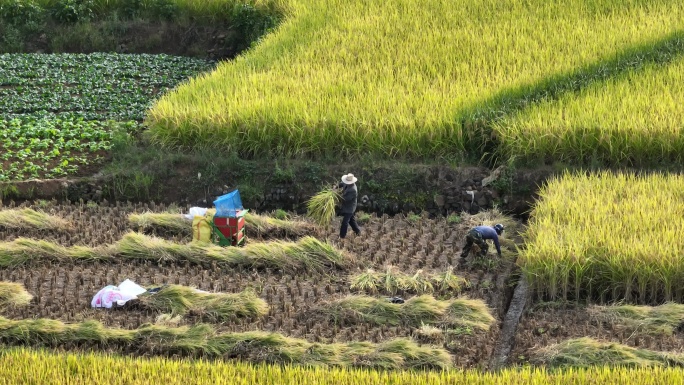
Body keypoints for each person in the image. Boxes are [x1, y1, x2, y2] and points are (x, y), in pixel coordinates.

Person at [338, 173, 361, 239]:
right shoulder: (347, 183)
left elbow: (345, 199)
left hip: (350, 207)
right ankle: (358, 232)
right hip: (347, 206)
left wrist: (337, 196)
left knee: (345, 222)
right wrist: (336, 187)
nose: (346, 183)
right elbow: (342, 184)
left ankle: (342, 236)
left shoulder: (353, 190)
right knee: (351, 220)